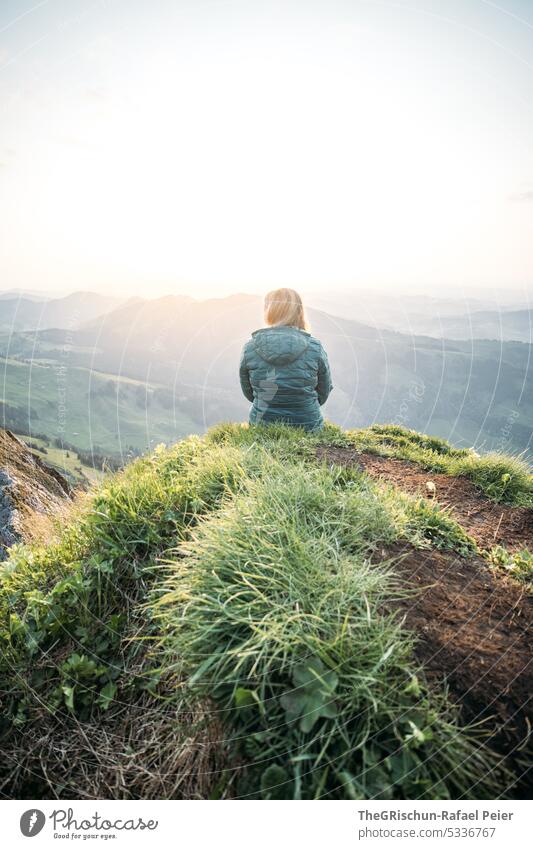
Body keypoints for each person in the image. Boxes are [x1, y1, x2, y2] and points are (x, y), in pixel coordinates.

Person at [239, 288, 333, 431]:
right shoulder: (315, 347)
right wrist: (304, 406)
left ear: (268, 310)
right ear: (299, 311)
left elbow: (248, 392)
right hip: (308, 426)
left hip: (262, 426)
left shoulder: (250, 348)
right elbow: (324, 391)